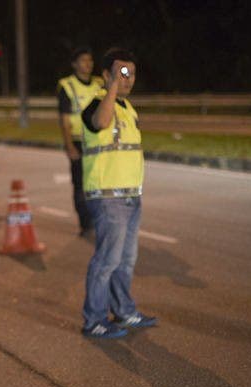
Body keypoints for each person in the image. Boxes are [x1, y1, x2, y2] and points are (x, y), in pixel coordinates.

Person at [80, 48, 158, 339]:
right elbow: (99, 123)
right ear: (105, 75)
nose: (127, 79)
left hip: (131, 196)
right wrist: (111, 86)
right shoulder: (94, 105)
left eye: (131, 73)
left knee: (126, 261)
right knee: (106, 261)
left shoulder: (128, 109)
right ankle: (94, 320)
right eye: (121, 73)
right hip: (107, 197)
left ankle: (124, 311)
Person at [57, 46, 104, 237]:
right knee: (80, 185)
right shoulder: (67, 85)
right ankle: (86, 224)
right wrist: (68, 145)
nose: (88, 64)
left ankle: (99, 218)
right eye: (83, 60)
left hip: (98, 141)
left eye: (90, 60)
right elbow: (65, 118)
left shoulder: (100, 84)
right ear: (74, 64)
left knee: (99, 182)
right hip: (77, 141)